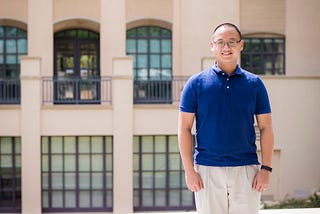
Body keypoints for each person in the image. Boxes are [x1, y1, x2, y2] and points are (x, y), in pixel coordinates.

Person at [178, 23, 275, 214]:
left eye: (232, 42)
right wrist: (190, 171)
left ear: (241, 45)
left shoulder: (255, 84)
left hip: (246, 169)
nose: (226, 47)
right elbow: (184, 129)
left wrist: (266, 169)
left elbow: (266, 128)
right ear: (212, 45)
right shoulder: (196, 83)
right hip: (207, 169)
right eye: (220, 42)